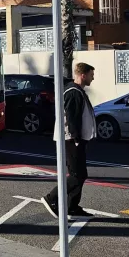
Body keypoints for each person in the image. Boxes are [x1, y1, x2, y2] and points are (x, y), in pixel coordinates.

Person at [43, 62, 96, 220]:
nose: (93, 78)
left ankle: (72, 206)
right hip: (71, 140)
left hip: (76, 139)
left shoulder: (78, 90)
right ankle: (51, 198)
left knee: (80, 174)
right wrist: (76, 137)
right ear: (83, 75)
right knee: (76, 175)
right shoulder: (73, 92)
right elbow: (71, 117)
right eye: (92, 75)